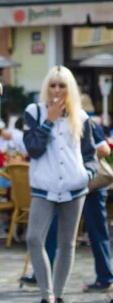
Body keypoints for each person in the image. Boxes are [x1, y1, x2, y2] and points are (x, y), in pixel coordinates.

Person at [21, 94, 113, 294]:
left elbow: (102, 149)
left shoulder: (83, 120)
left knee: (93, 232)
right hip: (61, 186)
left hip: (90, 187)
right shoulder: (41, 115)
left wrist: (80, 168)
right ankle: (46, 278)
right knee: (51, 233)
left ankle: (105, 276)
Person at [23, 65, 98, 303]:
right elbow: (33, 150)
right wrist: (48, 121)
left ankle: (60, 294)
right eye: (53, 85)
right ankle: (48, 295)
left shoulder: (82, 116)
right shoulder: (33, 112)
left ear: (70, 88)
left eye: (62, 85)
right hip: (43, 188)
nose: (57, 90)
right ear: (46, 87)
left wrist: (87, 174)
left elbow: (90, 154)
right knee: (34, 238)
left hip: (75, 188)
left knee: (67, 243)